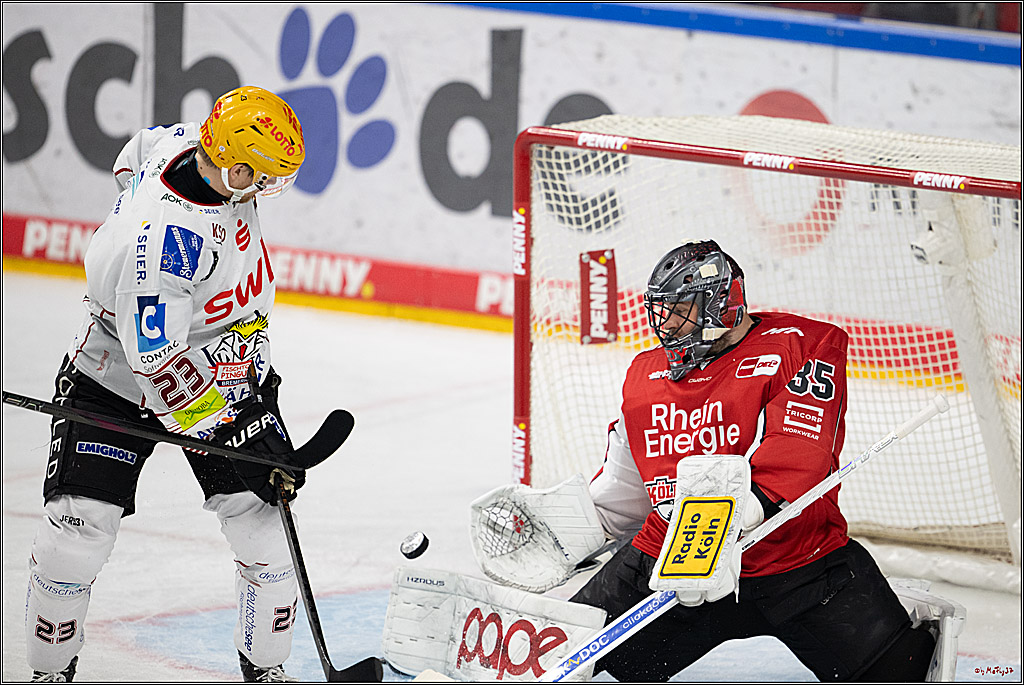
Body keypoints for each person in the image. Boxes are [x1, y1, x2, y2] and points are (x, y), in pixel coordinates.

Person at [26, 86, 309, 683]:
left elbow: (135, 152)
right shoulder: (167, 245)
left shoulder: (182, 143)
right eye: (262, 178)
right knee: (74, 537)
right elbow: (159, 365)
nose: (268, 191)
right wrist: (232, 433)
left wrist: (244, 398)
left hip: (226, 370)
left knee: (268, 538)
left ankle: (267, 670)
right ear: (234, 167)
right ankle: (49, 673)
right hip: (117, 379)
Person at [568, 239, 939, 681]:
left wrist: (709, 533)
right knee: (564, 656)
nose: (666, 324)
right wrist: (572, 531)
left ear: (722, 306)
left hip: (800, 570)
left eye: (680, 309)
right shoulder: (646, 374)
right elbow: (627, 488)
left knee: (904, 674)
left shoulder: (800, 346)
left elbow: (798, 455)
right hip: (671, 569)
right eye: (661, 310)